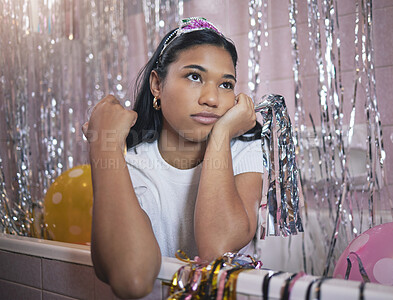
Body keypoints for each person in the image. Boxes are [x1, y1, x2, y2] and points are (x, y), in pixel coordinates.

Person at [82, 17, 263, 299]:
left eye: (226, 85)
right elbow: (133, 280)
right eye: (194, 76)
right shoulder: (131, 164)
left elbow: (217, 251)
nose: (212, 99)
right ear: (157, 84)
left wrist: (222, 135)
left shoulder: (243, 149)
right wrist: (103, 145)